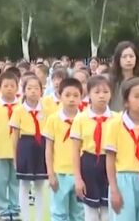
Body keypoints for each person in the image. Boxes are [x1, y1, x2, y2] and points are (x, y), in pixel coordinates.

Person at [104, 77, 139, 220]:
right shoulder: (115, 124)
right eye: (137, 96)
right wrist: (114, 189)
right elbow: (110, 159)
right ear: (126, 101)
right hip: (124, 180)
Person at [10, 76, 53, 221]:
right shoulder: (19, 111)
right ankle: (26, 218)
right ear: (24, 91)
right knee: (24, 184)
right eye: (29, 88)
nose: (33, 91)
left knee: (40, 185)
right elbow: (14, 136)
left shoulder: (47, 111)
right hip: (25, 147)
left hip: (42, 146)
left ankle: (39, 218)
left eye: (36, 88)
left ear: (42, 91)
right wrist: (14, 157)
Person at [71, 75, 112, 221]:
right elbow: (75, 150)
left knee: (109, 210)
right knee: (90, 211)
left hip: (110, 164)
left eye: (106, 92)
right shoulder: (81, 118)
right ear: (88, 94)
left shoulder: (116, 118)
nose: (102, 96)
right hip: (88, 164)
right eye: (97, 92)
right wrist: (77, 178)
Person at [43, 78, 84, 221]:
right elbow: (48, 148)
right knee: (59, 212)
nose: (71, 99)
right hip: (60, 173)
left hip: (81, 174)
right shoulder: (53, 119)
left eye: (75, 95)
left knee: (79, 213)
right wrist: (50, 174)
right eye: (67, 95)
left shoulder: (84, 119)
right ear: (60, 96)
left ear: (81, 97)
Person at [0, 72, 20, 221]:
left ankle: (15, 207)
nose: (9, 89)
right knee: (0, 180)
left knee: (15, 181)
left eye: (12, 86)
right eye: (5, 86)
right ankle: (2, 207)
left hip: (17, 150)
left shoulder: (21, 106)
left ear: (17, 87)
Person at [109, 41, 139, 112]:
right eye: (124, 57)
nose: (128, 60)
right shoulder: (110, 82)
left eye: (131, 56)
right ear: (118, 59)